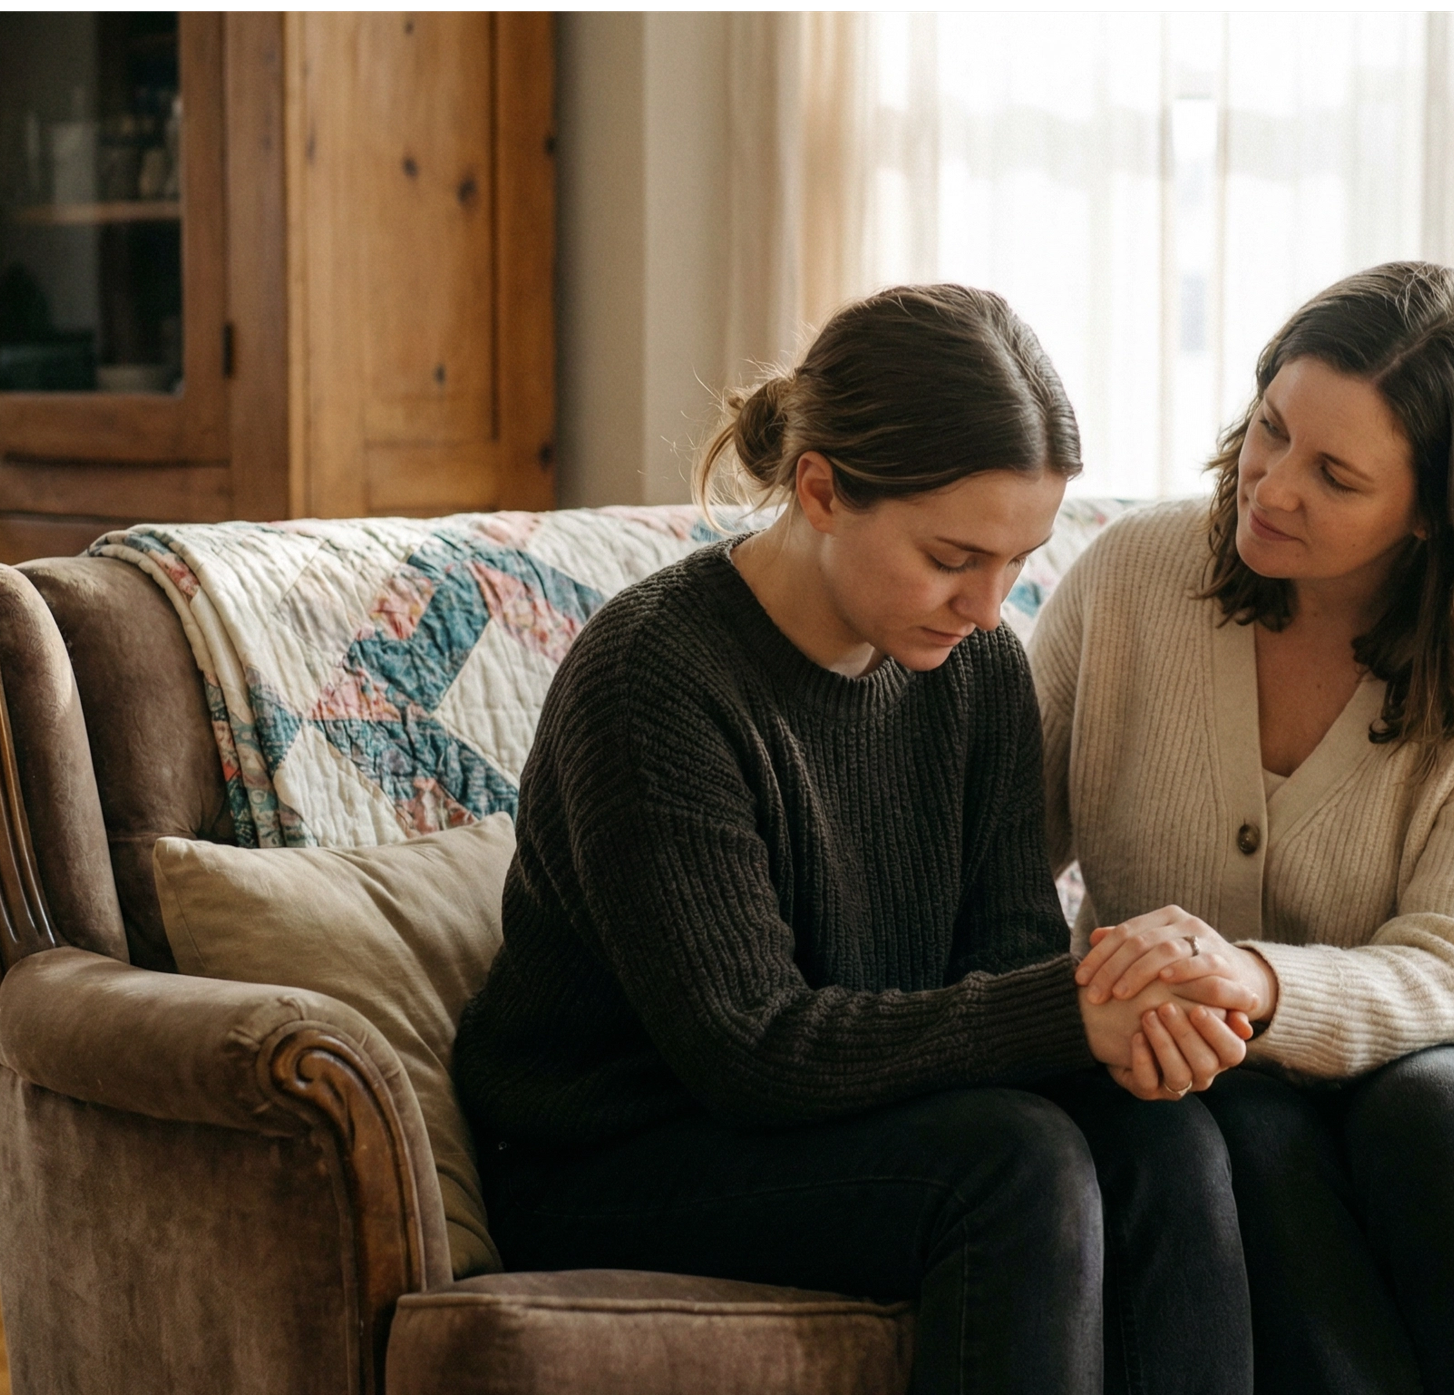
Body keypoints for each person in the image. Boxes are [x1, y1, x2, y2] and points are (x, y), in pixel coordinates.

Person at [455, 284, 1255, 1395]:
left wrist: (1130, 1017)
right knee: (1014, 1168)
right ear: (821, 489)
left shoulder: (975, 674)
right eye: (950, 557)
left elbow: (1010, 961)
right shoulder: (655, 677)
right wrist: (1064, 1009)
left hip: (849, 1110)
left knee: (1166, 1140)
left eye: (1016, 563)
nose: (985, 604)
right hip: (612, 1148)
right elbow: (749, 1050)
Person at [1032, 261, 1454, 1395]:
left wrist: (1253, 981)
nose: (1271, 485)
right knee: (1237, 1118)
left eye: (1335, 475)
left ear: (1440, 509)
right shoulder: (1132, 581)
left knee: (1432, 1108)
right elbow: (992, 860)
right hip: (1220, 1080)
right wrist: (1103, 997)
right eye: (1271, 427)